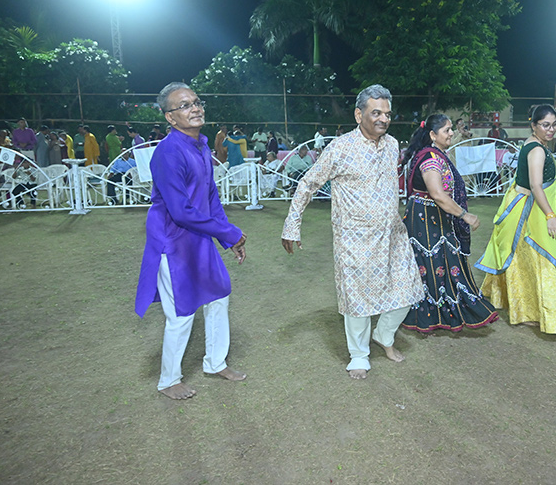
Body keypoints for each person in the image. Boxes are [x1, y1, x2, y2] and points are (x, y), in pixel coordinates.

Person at [281, 84, 423, 380]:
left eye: (387, 113)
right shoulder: (340, 148)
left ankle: (384, 335)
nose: (384, 119)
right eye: (376, 113)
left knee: (409, 288)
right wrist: (292, 225)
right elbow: (308, 184)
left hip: (393, 234)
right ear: (359, 115)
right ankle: (359, 355)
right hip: (355, 238)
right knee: (357, 300)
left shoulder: (392, 145)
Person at [135, 82, 248, 399]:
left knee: (218, 296)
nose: (195, 108)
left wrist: (228, 237)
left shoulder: (201, 146)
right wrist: (227, 232)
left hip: (200, 237)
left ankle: (215, 363)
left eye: (196, 102)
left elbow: (211, 198)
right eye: (184, 105)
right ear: (170, 117)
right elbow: (180, 211)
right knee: (182, 313)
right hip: (173, 241)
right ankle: (169, 380)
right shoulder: (168, 152)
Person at [476, 104, 556, 333]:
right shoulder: (537, 149)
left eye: (554, 124)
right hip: (528, 212)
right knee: (534, 261)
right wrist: (551, 216)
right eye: (545, 125)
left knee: (526, 261)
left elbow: (535, 176)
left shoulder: (535, 144)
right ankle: (527, 312)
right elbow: (535, 185)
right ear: (534, 125)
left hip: (525, 206)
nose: (551, 129)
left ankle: (527, 309)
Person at [400, 114, 498, 333]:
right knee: (430, 262)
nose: (452, 133)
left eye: (451, 128)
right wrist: (464, 215)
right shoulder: (430, 158)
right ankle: (432, 312)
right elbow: (437, 194)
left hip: (434, 216)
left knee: (443, 260)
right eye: (447, 130)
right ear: (433, 135)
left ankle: (444, 308)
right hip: (426, 218)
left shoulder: (435, 155)